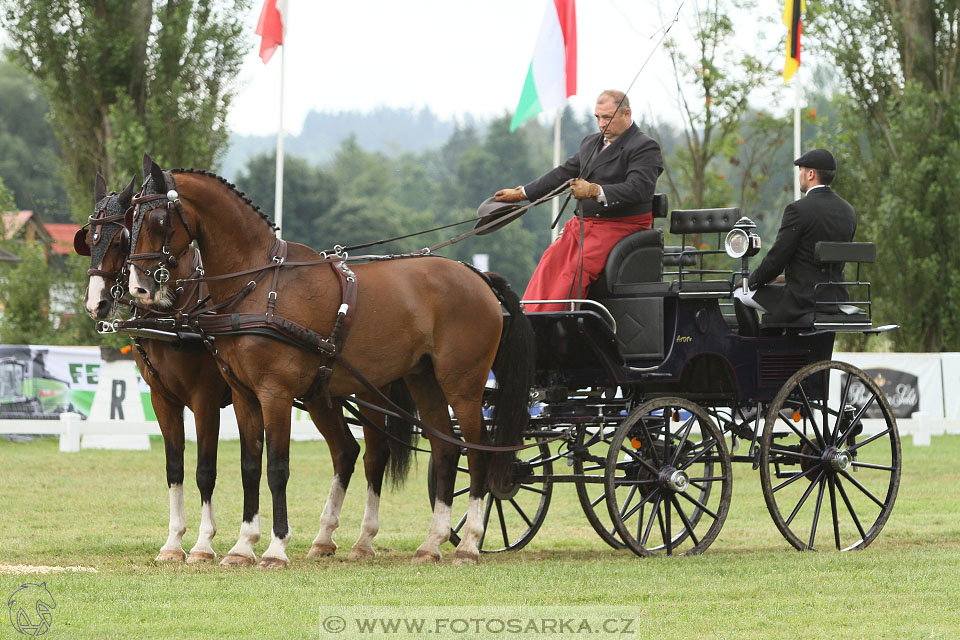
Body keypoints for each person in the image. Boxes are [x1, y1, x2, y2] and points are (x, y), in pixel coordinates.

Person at [494, 90, 663, 312]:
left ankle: (559, 324)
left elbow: (639, 189)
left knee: (575, 269)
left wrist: (594, 190)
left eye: (608, 117)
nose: (602, 124)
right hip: (585, 225)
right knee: (549, 260)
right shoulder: (590, 143)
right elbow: (562, 173)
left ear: (627, 113)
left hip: (622, 226)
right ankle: (531, 317)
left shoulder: (643, 146)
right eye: (598, 118)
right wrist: (524, 193)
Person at [734, 148, 857, 329]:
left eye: (801, 170)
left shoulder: (798, 210)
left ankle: (757, 353)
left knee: (740, 294)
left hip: (803, 299)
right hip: (836, 297)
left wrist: (751, 281)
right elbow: (819, 264)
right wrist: (783, 278)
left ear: (811, 174)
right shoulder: (849, 211)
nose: (799, 175)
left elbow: (777, 259)